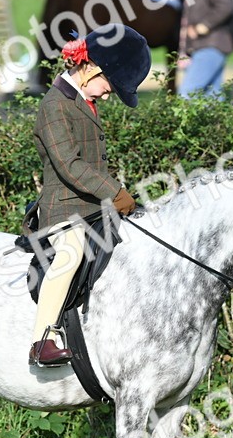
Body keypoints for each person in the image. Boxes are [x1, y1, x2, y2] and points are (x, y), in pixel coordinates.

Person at [28, 24, 150, 366]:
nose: (108, 96)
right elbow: (69, 164)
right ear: (90, 68)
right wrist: (114, 191)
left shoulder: (82, 101)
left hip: (93, 207)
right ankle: (42, 339)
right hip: (63, 209)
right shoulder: (55, 105)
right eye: (109, 87)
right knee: (72, 251)